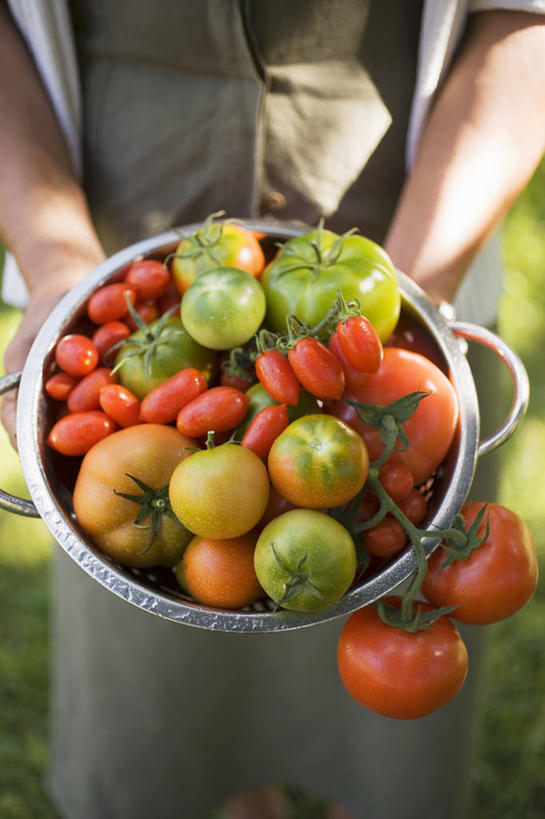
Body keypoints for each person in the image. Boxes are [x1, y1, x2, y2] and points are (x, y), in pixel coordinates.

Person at [1, 2, 545, 817]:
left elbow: (524, 19)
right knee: (169, 674)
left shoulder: (397, 397)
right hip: (123, 235)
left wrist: (416, 291)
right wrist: (55, 261)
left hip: (408, 211)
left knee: (385, 704)